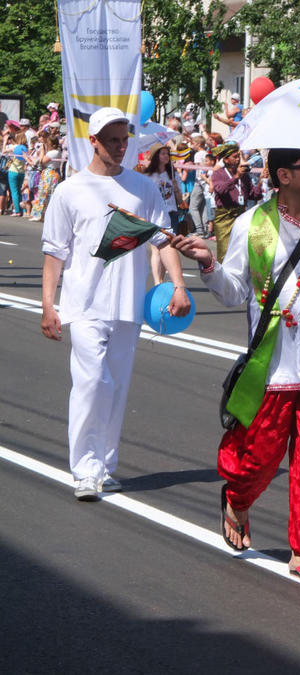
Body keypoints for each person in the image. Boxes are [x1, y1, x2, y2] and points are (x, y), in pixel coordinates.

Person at [173, 147, 300, 581]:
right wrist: (208, 263)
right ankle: (237, 498)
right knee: (257, 458)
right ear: (284, 174)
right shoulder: (252, 226)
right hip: (271, 366)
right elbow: (231, 292)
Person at [40, 107, 191, 501]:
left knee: (117, 387)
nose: (121, 146)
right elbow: (55, 253)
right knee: (92, 383)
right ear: (93, 141)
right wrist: (48, 305)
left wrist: (179, 285)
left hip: (127, 306)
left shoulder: (141, 189)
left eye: (124, 139)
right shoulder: (69, 191)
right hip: (84, 305)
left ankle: (105, 466)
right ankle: (84, 470)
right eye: (112, 140)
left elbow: (163, 240)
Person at [211, 143, 262, 262]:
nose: (238, 159)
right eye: (235, 157)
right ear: (226, 159)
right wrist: (236, 177)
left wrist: (260, 182)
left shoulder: (244, 175)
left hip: (240, 214)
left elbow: (253, 195)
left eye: (238, 156)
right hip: (225, 216)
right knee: (224, 250)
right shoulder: (218, 173)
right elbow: (221, 190)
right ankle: (222, 277)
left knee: (241, 249)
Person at [143, 143, 185, 284]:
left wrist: (176, 188)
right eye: (163, 153)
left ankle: (162, 278)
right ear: (156, 156)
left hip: (171, 213)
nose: (166, 156)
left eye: (167, 153)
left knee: (168, 247)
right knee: (156, 248)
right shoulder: (149, 176)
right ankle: (157, 281)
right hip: (155, 214)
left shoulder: (172, 174)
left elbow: (180, 200)